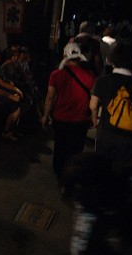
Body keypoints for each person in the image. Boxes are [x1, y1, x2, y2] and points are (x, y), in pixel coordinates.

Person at [90, 39, 132, 172]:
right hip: (130, 139)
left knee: (102, 171)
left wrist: (94, 120)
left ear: (112, 60)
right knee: (123, 175)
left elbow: (93, 105)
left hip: (105, 135)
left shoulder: (103, 81)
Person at [40, 43, 96, 179]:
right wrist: (94, 117)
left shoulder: (56, 74)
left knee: (60, 147)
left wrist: (45, 116)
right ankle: (71, 177)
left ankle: (60, 174)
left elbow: (50, 98)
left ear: (65, 55)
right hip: (80, 119)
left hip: (61, 118)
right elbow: (93, 100)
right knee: (76, 150)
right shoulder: (90, 76)